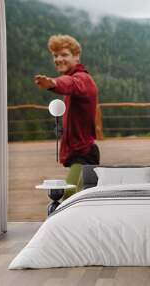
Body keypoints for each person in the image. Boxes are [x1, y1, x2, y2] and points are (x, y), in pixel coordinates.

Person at [34, 34, 99, 198]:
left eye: (64, 54)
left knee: (66, 199)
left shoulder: (83, 79)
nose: (58, 59)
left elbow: (70, 84)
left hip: (84, 155)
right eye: (55, 55)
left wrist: (54, 83)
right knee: (76, 201)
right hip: (79, 153)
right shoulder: (75, 78)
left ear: (76, 56)